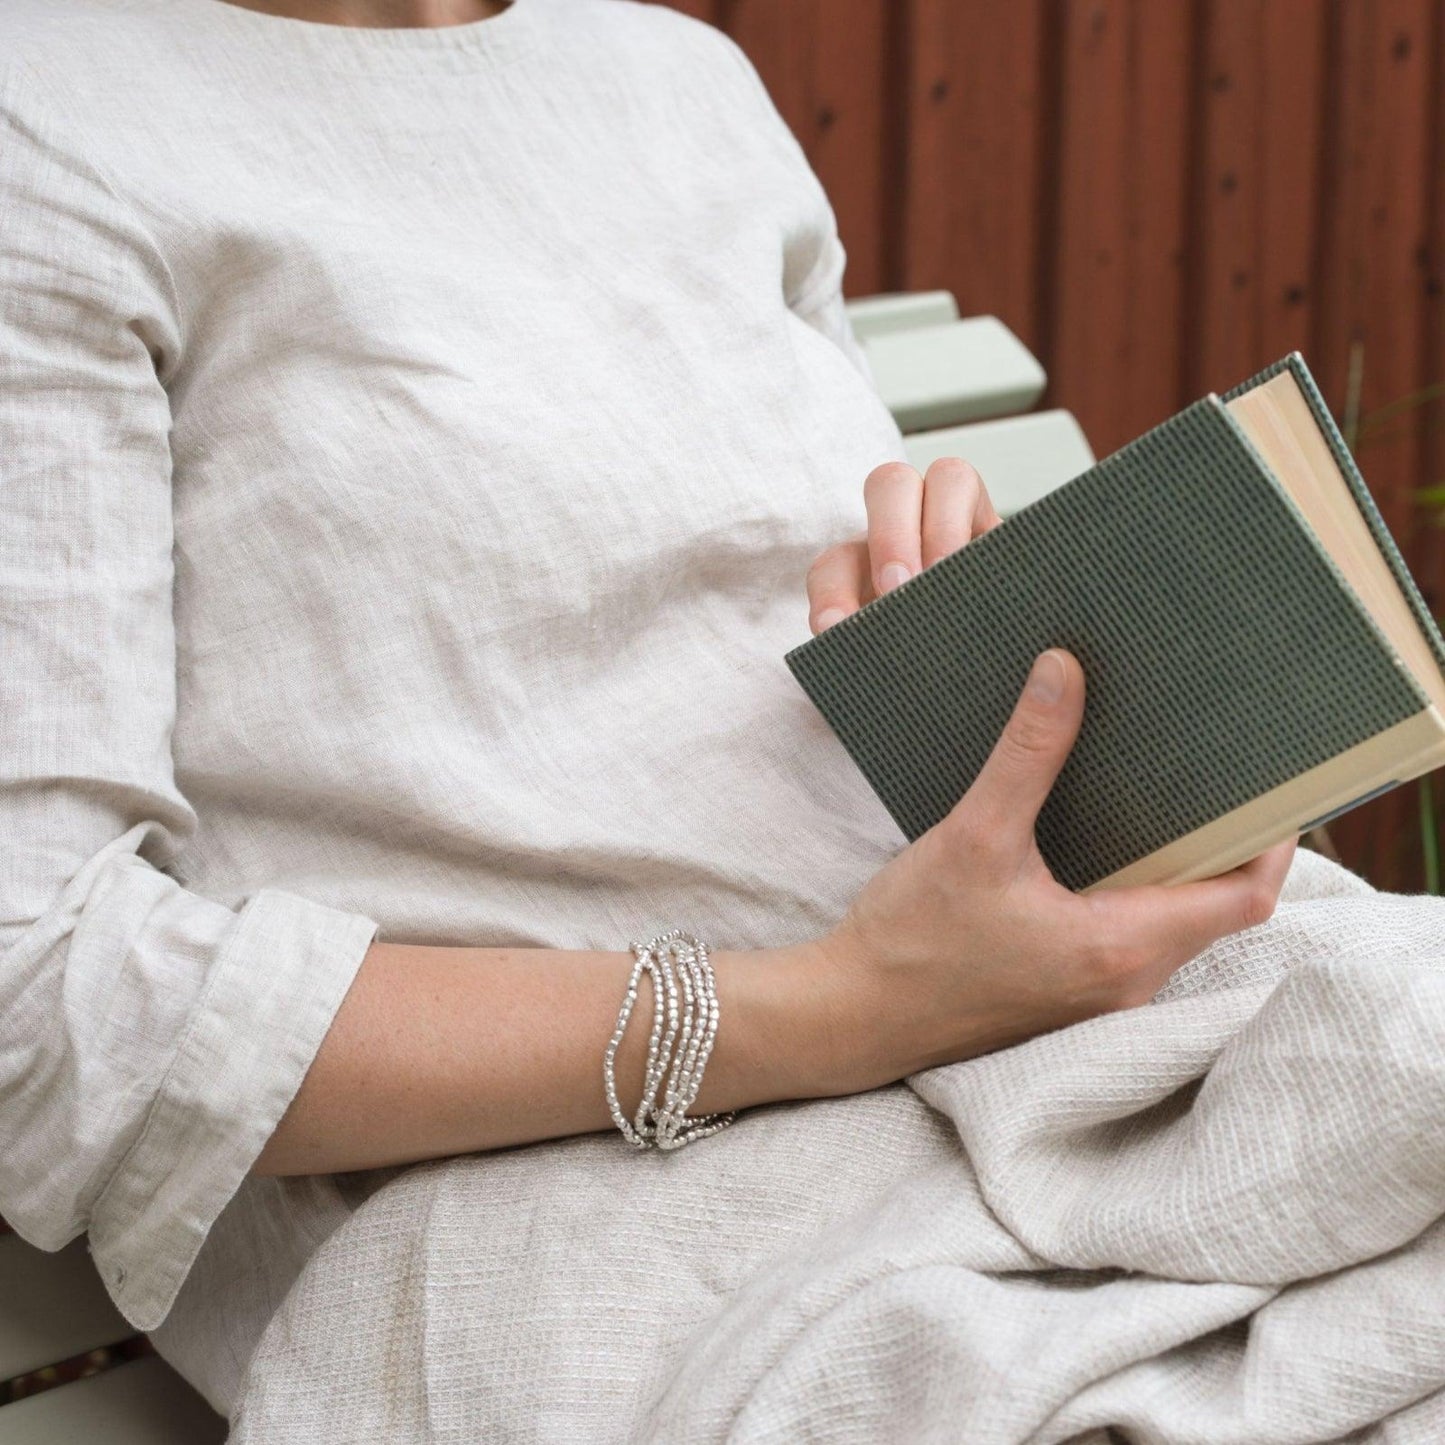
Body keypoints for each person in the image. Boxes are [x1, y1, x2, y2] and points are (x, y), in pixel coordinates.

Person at [0, 0, 1295, 1422]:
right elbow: (42, 1002)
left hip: (1029, 1037)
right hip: (595, 1206)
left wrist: (955, 640)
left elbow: (747, 632)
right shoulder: (50, 118)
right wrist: (844, 1011)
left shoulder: (678, 81)